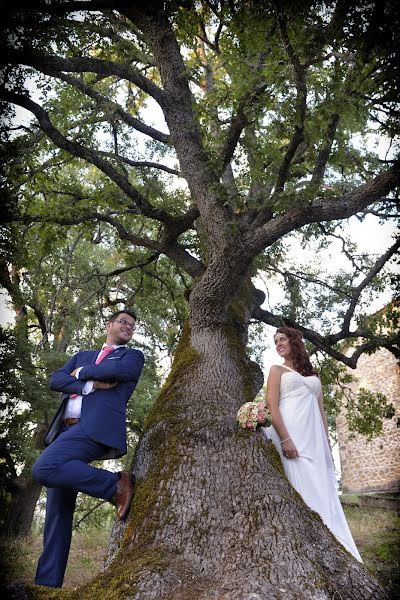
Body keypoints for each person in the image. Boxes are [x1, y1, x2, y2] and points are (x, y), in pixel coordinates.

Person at [32, 310, 145, 588]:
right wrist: (91, 382)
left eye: (132, 325)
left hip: (93, 428)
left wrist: (80, 375)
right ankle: (46, 585)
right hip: (64, 432)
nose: (128, 327)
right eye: (123, 322)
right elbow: (56, 380)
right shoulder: (81, 354)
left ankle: (114, 486)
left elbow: (121, 372)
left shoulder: (131, 356)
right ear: (109, 325)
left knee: (44, 468)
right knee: (57, 511)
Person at [261, 326, 362, 562]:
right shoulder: (276, 370)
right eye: (276, 341)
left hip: (314, 439)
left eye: (282, 339)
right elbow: (272, 406)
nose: (278, 344)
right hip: (292, 436)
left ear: (294, 341)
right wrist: (286, 439)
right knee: (302, 485)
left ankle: (335, 544)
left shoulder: (314, 375)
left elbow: (321, 412)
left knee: (321, 485)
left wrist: (326, 443)